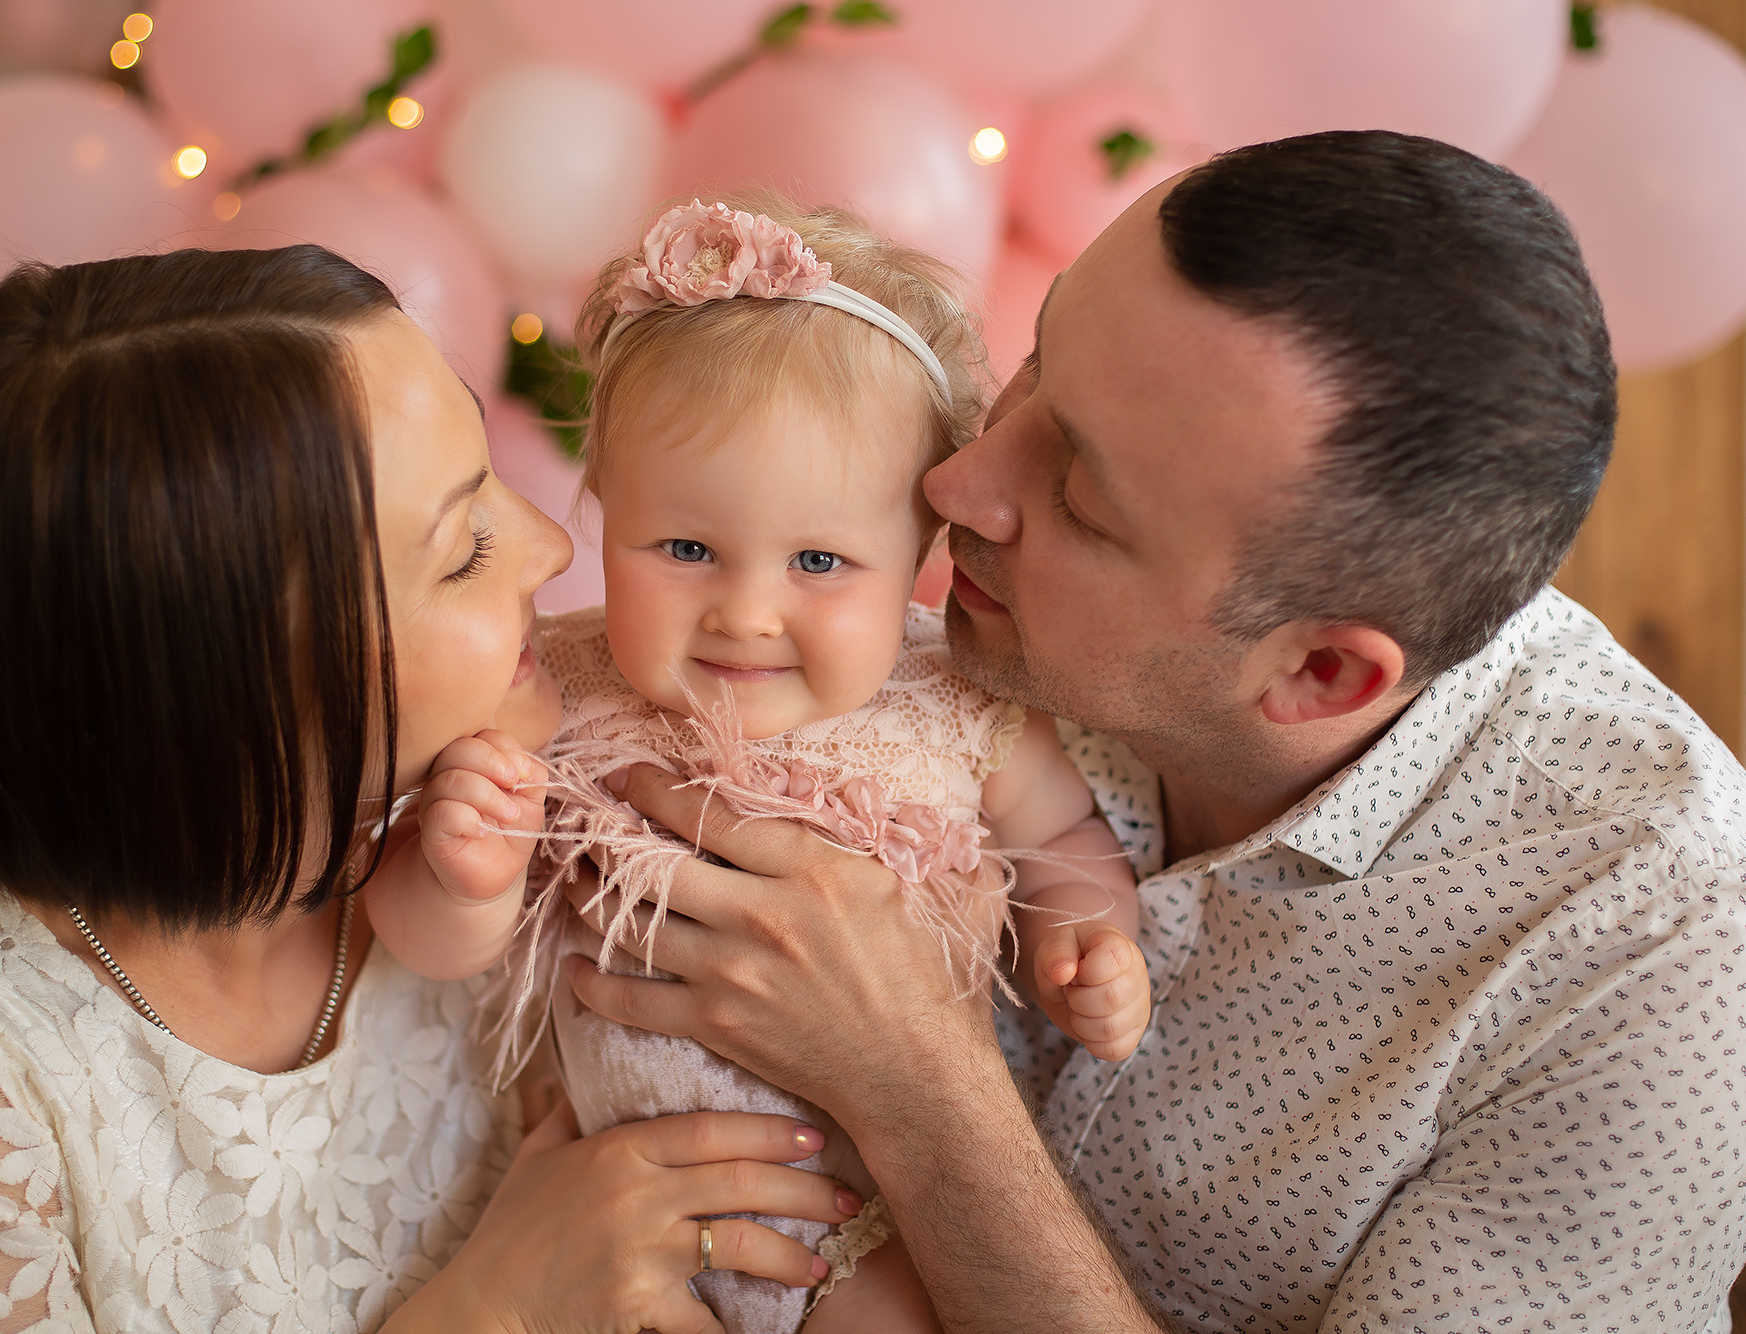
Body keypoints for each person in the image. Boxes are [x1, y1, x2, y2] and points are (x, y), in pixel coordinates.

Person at [565, 131, 1746, 1332]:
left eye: (1077, 495)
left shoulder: (1657, 953)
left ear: (1317, 670)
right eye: (1036, 360)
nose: (956, 483)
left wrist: (918, 1086)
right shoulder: (915, 642)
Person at [0, 244, 865, 1334]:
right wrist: (496, 1305)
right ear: (230, 689)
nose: (542, 547)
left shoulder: (507, 811)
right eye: (463, 547)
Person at [362, 196, 1146, 1334]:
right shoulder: (561, 687)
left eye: (819, 560)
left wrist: (1084, 939)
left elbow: (1067, 846)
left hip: (862, 1222)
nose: (744, 611)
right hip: (620, 1213)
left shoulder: (955, 702)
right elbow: (421, 945)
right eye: (683, 548)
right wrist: (459, 876)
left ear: (918, 555)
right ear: (603, 513)